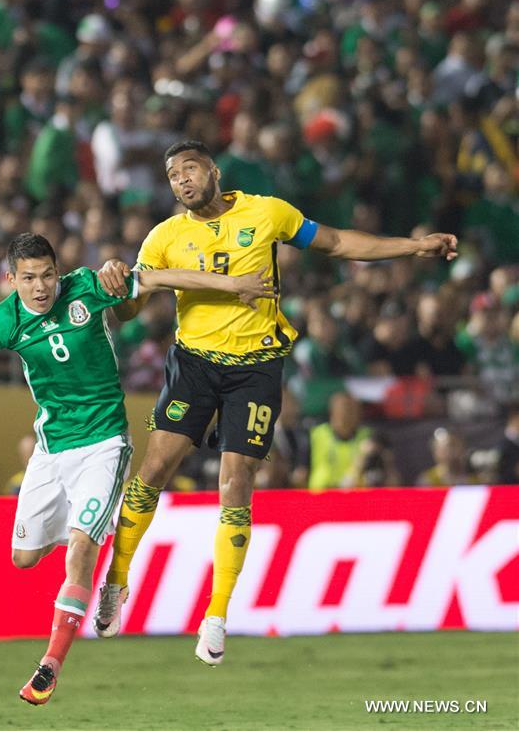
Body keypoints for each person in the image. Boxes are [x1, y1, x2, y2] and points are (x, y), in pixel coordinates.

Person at [0, 232, 273, 705]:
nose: (41, 287)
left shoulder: (89, 286)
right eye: (29, 279)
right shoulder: (6, 321)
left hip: (104, 444)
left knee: (80, 551)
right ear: (11, 280)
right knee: (24, 558)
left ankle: (50, 665)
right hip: (50, 452)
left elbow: (160, 279)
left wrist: (233, 286)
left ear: (58, 273)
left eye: (47, 276)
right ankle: (89, 535)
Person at [93, 139, 457, 665]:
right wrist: (116, 283)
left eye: (189, 169)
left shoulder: (267, 212)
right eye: (173, 176)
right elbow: (129, 311)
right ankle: (117, 580)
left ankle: (216, 614)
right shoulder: (164, 237)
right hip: (194, 363)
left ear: (213, 170)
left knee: (236, 480)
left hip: (257, 367)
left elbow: (334, 242)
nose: (182, 181)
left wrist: (414, 245)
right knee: (152, 470)